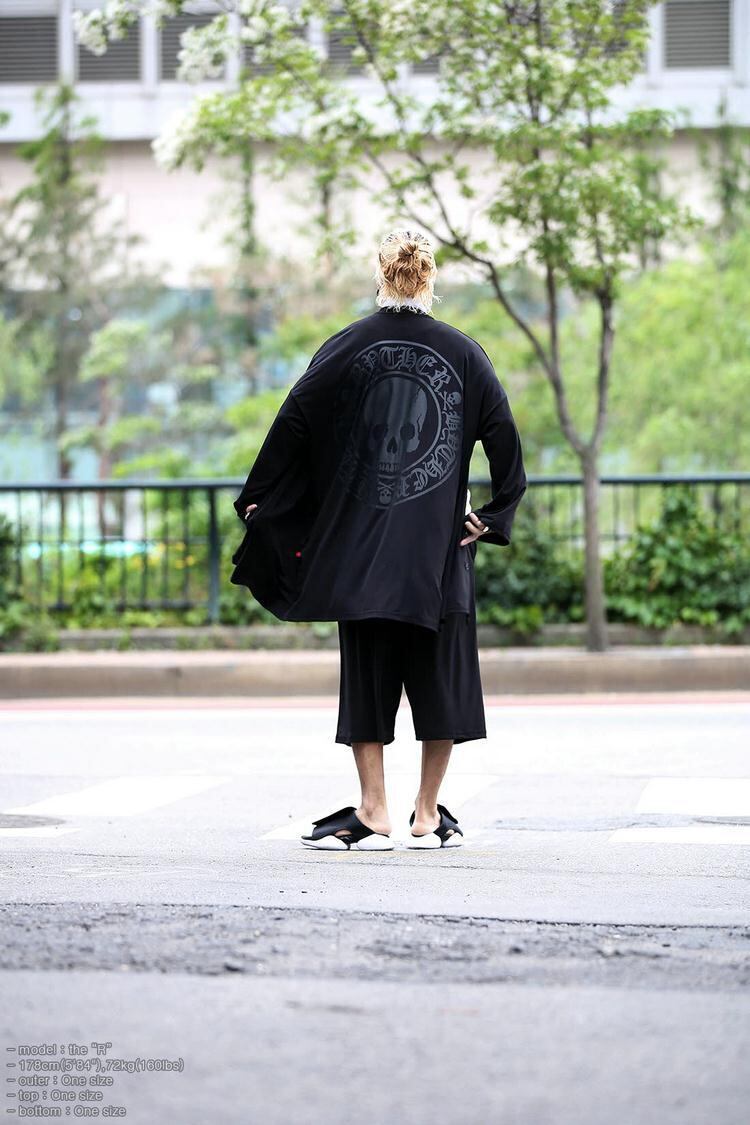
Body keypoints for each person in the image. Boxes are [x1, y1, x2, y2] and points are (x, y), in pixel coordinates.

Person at [231, 229, 527, 851]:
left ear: (380, 276)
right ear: (430, 279)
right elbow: (503, 436)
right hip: (440, 550)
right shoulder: (464, 353)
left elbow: (294, 420)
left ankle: (372, 810)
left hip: (362, 546)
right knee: (441, 676)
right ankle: (427, 813)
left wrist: (262, 496)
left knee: (367, 677)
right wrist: (494, 515)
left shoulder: (346, 346)